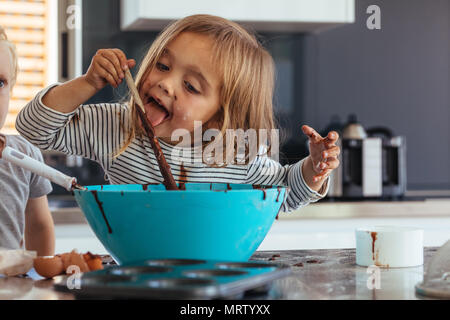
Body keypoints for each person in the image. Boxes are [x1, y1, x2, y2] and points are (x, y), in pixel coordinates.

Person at [16, 14, 340, 213]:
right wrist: (88, 83)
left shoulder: (232, 151)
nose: (166, 83)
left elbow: (284, 192)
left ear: (219, 116)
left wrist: (315, 167)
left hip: (213, 276)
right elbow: (35, 129)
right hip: (136, 274)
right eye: (163, 65)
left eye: (191, 86)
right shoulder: (117, 127)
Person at [0, 26, 54, 255]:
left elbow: (39, 226)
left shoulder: (26, 157)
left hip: (9, 288)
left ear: (11, 88)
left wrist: (42, 277)